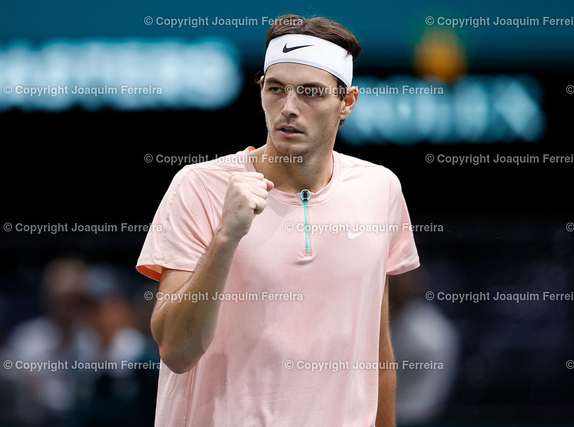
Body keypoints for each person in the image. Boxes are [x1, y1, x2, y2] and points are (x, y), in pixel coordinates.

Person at [136, 14, 420, 426]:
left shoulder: (381, 189)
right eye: (276, 89)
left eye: (311, 93)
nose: (289, 108)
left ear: (347, 103)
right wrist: (226, 237)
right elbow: (177, 352)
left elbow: (377, 351)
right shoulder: (197, 186)